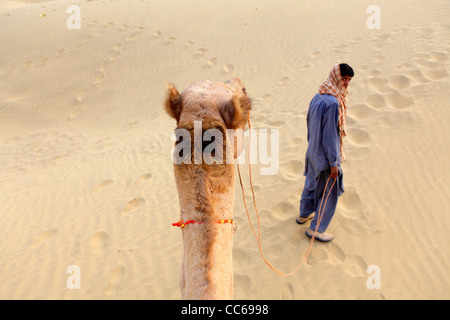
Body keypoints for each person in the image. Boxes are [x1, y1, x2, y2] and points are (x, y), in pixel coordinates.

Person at [296, 63, 354, 242]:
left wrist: (312, 147)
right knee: (330, 191)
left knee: (311, 184)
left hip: (312, 151)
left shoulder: (318, 95)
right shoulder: (333, 103)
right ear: (336, 76)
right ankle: (317, 229)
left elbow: (309, 123)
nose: (346, 84)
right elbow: (331, 136)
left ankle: (304, 214)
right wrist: (333, 163)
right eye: (343, 79)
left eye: (349, 80)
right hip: (325, 157)